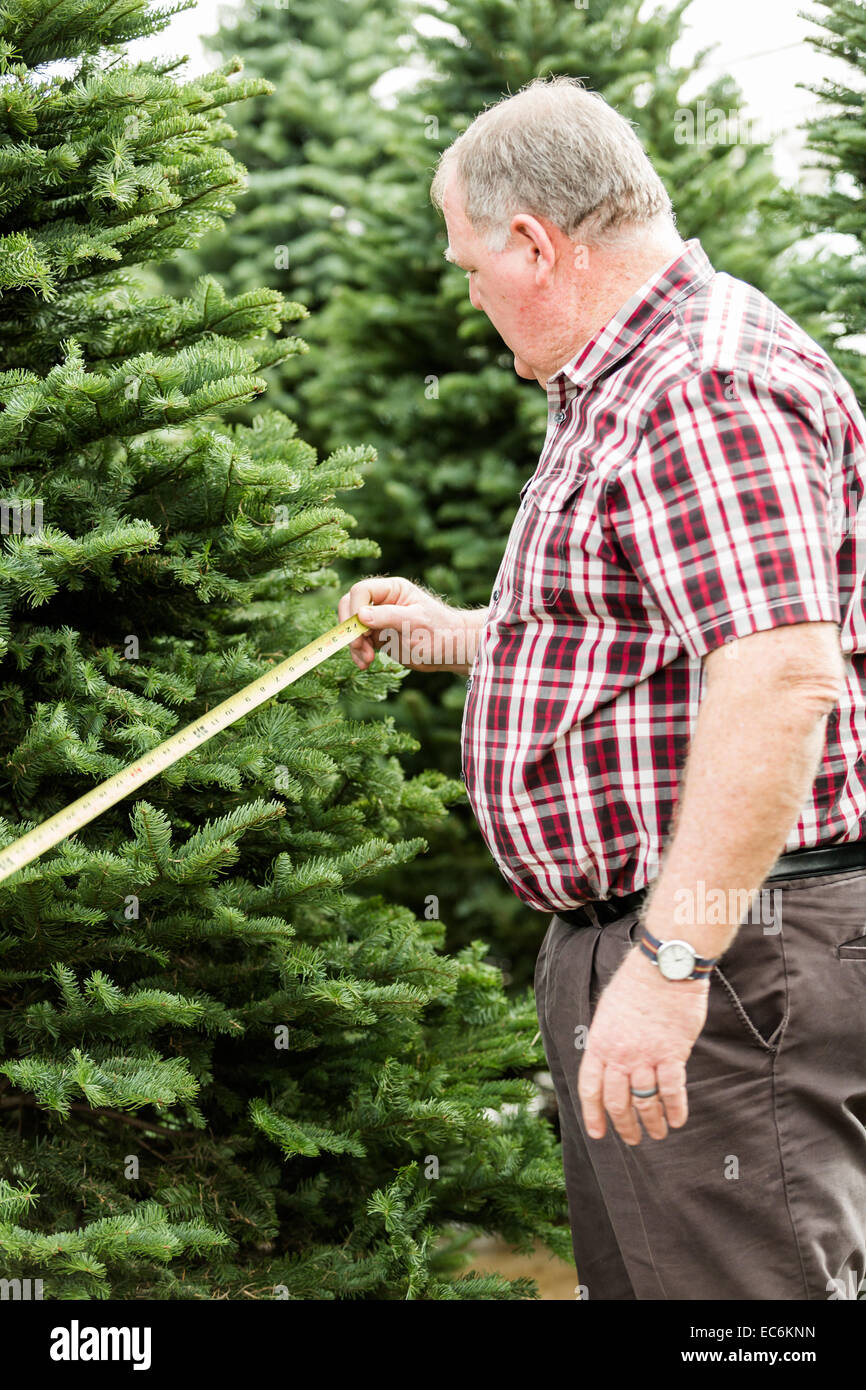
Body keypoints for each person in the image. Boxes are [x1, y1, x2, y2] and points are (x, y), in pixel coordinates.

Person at [338, 76, 866, 1301]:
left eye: (470, 264)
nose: (469, 296)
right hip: (657, 950)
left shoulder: (701, 382)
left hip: (726, 964)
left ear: (535, 242)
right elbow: (635, 628)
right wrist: (452, 636)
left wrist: (672, 964)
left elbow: (780, 673)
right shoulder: (620, 382)